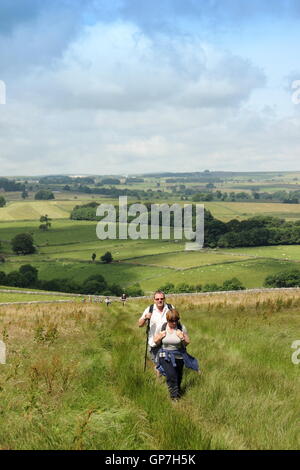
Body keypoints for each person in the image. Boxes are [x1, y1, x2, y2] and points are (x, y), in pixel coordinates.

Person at [154, 309, 199, 400]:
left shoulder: (181, 328)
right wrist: (159, 337)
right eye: (171, 321)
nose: (174, 323)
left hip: (179, 356)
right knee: (171, 375)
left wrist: (182, 337)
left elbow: (187, 343)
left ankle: (177, 392)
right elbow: (156, 341)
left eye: (176, 320)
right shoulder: (162, 327)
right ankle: (174, 398)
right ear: (167, 320)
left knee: (178, 377)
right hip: (165, 355)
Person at [138, 291, 174, 367]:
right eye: (157, 299)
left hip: (168, 342)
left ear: (164, 299)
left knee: (170, 365)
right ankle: (159, 378)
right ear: (154, 300)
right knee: (158, 366)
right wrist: (145, 317)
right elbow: (140, 324)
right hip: (154, 343)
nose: (159, 300)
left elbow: (177, 322)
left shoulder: (170, 308)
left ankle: (168, 378)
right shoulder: (149, 309)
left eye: (161, 298)